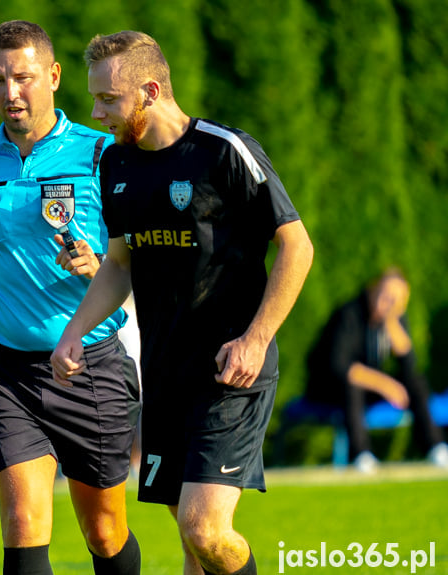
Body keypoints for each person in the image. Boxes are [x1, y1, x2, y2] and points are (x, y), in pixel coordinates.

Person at [51, 31, 314, 575]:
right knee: (191, 539)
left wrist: (256, 340)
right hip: (166, 373)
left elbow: (296, 245)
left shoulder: (223, 149)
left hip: (231, 369)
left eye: (108, 99)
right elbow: (119, 263)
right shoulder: (116, 166)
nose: (96, 113)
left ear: (149, 89)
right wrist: (74, 331)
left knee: (205, 528)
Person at [0, 20, 142, 575]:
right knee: (22, 523)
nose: (9, 93)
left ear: (55, 76)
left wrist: (99, 265)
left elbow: (138, 254)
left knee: (105, 531)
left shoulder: (102, 153)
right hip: (6, 371)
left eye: (22, 77)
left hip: (87, 366)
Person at [305, 268, 448, 472]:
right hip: (328, 388)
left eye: (398, 299)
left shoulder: (394, 318)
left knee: (416, 381)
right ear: (373, 290)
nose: (391, 303)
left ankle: (435, 447)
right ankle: (361, 455)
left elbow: (409, 364)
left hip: (368, 389)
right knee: (352, 385)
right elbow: (340, 366)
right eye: (387, 295)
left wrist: (391, 323)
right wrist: (386, 385)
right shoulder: (349, 314)